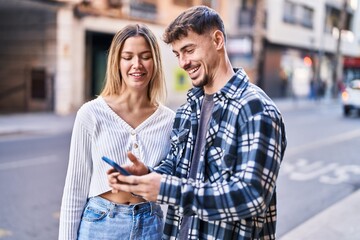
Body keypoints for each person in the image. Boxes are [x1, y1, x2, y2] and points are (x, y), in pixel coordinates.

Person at [108, 6, 287, 240]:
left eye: (189, 50)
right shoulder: (186, 110)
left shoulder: (255, 109)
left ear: (218, 40)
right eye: (177, 54)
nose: (183, 62)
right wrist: (145, 176)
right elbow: (177, 168)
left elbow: (251, 196)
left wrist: (166, 189)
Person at [58, 24, 175, 240]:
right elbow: (74, 189)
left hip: (150, 226)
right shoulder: (91, 113)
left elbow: (173, 182)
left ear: (155, 62)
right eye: (128, 57)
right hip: (100, 225)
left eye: (145, 56)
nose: (137, 64)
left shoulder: (170, 120)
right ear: (117, 62)